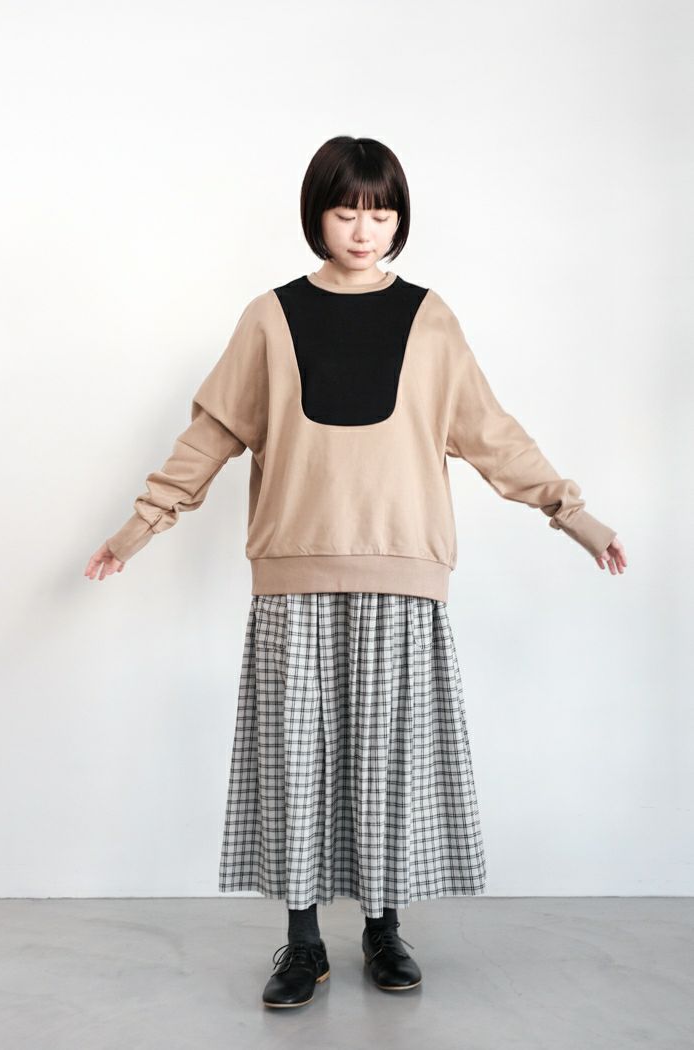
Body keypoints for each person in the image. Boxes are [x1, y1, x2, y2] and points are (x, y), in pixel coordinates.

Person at [85, 135, 627, 1009]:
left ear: (400, 220)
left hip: (404, 574)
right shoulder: (269, 317)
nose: (364, 230)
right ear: (318, 217)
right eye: (346, 212)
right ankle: (303, 942)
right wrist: (137, 530)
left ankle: (383, 928)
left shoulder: (431, 318)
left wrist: (575, 517)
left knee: (389, 763)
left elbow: (493, 436)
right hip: (293, 578)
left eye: (381, 213)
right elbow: (211, 436)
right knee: (294, 764)